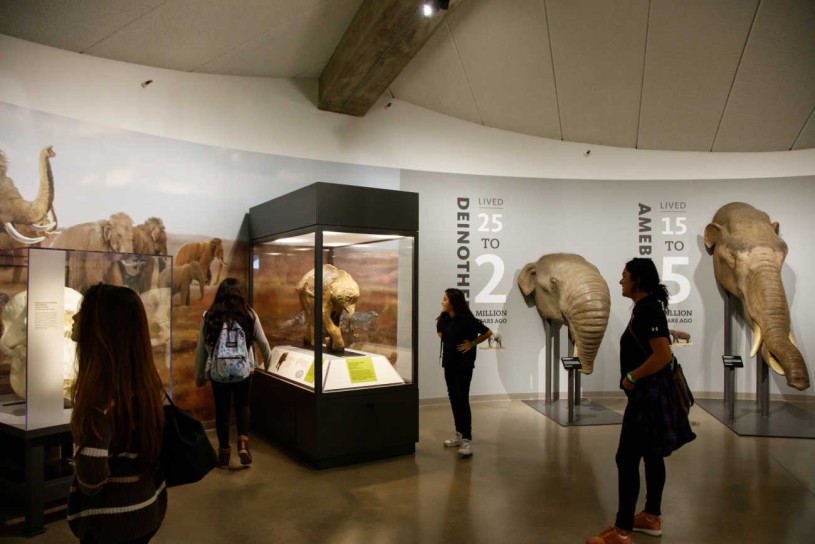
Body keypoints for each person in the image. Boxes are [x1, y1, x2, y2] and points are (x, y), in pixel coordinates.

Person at [588, 258, 684, 544]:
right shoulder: (646, 308)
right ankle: (651, 517)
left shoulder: (649, 310)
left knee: (626, 459)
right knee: (652, 455)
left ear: (638, 280)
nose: (620, 281)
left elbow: (663, 355)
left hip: (646, 400)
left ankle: (621, 531)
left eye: (624, 275)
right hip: (650, 397)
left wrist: (632, 376)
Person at [67, 284, 167, 544]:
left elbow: (91, 479)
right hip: (148, 506)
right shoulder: (143, 385)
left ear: (101, 327)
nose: (75, 318)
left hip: (111, 522)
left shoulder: (99, 398)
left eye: (82, 312)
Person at [194, 278, 272, 468]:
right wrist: (268, 366)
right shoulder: (249, 314)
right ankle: (243, 443)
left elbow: (200, 350)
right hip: (244, 372)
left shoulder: (210, 316)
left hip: (218, 373)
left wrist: (200, 376)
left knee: (222, 411)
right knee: (243, 406)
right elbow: (263, 343)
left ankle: (223, 454)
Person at [436, 288, 492, 457]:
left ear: (453, 302)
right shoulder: (444, 318)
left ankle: (467, 439)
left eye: (445, 299)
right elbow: (441, 333)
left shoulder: (468, 320)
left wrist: (472, 344)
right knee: (453, 396)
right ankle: (460, 434)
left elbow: (488, 333)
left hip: (464, 365)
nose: (442, 301)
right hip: (449, 364)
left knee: (462, 397)